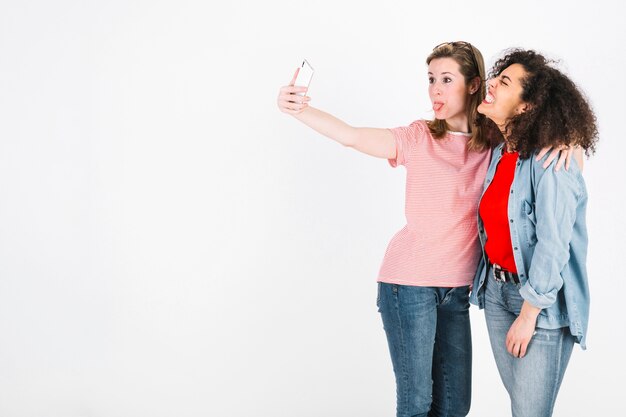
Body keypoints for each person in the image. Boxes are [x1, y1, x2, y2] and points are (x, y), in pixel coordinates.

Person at [277, 43, 574, 417]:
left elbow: (539, 141)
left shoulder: (496, 144)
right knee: (417, 403)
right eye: (431, 79)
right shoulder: (418, 137)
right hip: (408, 285)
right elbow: (350, 135)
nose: (435, 89)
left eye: (446, 79)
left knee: (454, 405)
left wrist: (570, 141)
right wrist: (300, 109)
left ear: (473, 85)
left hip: (457, 291)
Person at [469, 49, 598, 417]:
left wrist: (529, 315)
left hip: (538, 304)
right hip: (496, 294)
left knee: (528, 412)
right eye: (497, 76)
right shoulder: (499, 152)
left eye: (504, 82)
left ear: (526, 107)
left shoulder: (551, 162)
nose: (492, 83)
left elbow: (553, 245)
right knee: (523, 408)